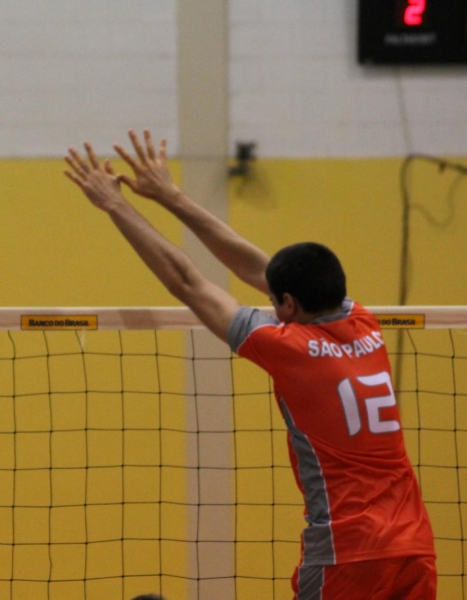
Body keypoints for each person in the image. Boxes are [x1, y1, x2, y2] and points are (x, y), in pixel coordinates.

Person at [64, 130, 437, 599]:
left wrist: (116, 205)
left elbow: (188, 282)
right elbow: (261, 270)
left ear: (288, 305)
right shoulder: (365, 323)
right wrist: (170, 196)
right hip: (414, 544)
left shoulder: (288, 347)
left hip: (347, 551)